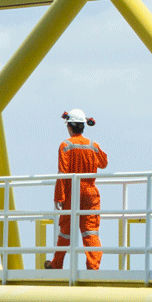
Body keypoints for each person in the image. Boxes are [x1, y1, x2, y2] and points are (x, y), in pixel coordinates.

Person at [45, 109, 108, 271]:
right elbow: (103, 163)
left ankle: (56, 264)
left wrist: (59, 195)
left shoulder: (65, 145)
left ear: (70, 127)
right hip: (91, 194)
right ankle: (93, 267)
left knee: (65, 231)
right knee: (90, 232)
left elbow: (63, 172)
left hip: (72, 193)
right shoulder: (93, 145)